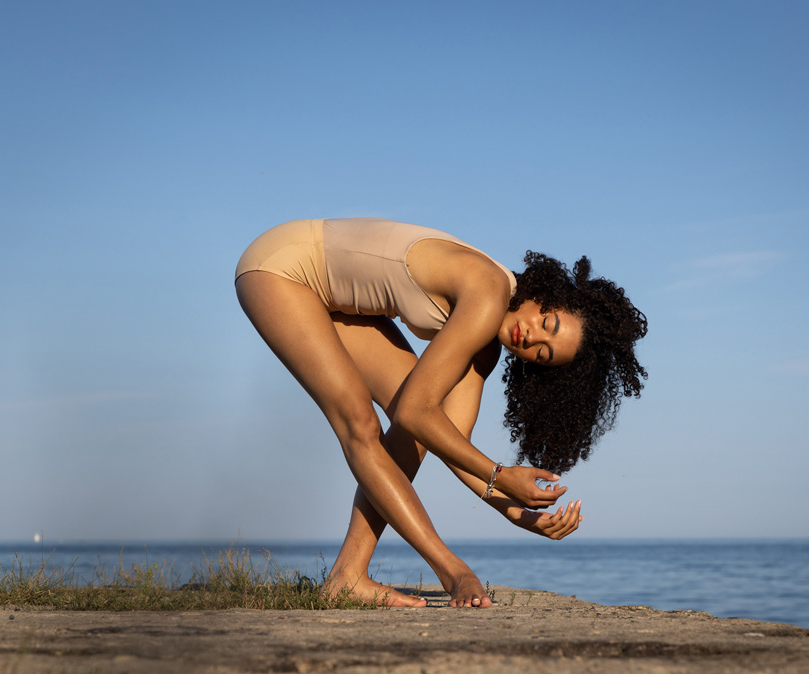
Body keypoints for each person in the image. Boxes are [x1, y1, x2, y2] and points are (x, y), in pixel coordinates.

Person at [235, 218, 647, 607]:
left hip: (333, 300)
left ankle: (348, 576)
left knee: (420, 430)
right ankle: (452, 571)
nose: (532, 338)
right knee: (360, 422)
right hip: (280, 268)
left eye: (542, 353)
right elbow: (416, 411)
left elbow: (448, 439)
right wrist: (502, 477)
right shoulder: (488, 292)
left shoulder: (484, 347)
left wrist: (515, 512)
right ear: (545, 298)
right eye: (548, 322)